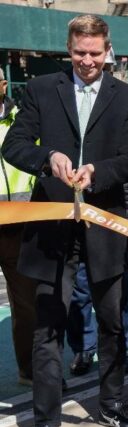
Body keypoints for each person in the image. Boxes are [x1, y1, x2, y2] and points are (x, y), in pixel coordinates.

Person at [2, 14, 128, 427]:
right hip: (51, 225)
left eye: (95, 53)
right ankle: (46, 419)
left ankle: (111, 405)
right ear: (69, 49)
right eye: (80, 53)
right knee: (47, 327)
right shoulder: (42, 89)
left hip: (104, 224)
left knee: (111, 322)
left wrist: (97, 171)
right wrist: (48, 158)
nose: (87, 61)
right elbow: (14, 145)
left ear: (108, 50)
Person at [0, 68, 37, 388]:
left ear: (3, 85)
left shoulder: (23, 120)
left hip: (20, 224)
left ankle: (30, 371)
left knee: (27, 303)